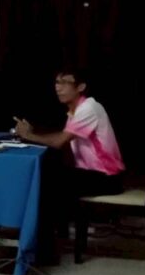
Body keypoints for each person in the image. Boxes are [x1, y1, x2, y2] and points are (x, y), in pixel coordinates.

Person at [14, 66, 125, 205]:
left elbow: (59, 141)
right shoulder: (74, 111)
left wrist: (29, 135)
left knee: (50, 181)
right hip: (88, 174)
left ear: (81, 87)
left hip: (108, 177)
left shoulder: (89, 108)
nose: (58, 88)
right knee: (47, 174)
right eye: (57, 82)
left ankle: (45, 220)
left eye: (65, 83)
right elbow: (63, 142)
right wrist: (32, 133)